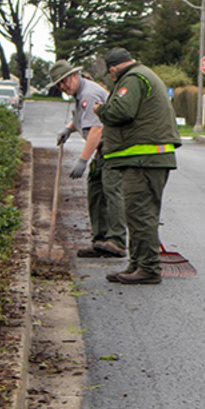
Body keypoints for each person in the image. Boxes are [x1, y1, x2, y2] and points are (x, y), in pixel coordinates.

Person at [94, 48, 181, 285]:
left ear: (113, 70)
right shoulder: (143, 75)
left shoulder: (132, 79)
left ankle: (149, 268)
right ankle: (137, 264)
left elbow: (122, 111)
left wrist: (100, 110)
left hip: (145, 159)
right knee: (138, 214)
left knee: (140, 214)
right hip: (148, 158)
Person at [46, 60, 126, 259]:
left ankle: (116, 241)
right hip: (102, 151)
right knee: (96, 193)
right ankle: (100, 240)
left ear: (75, 76)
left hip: (113, 148)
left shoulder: (88, 94)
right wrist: (69, 128)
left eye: (64, 82)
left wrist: (83, 159)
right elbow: (83, 117)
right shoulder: (80, 94)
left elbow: (97, 130)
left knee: (111, 192)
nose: (63, 87)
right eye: (59, 85)